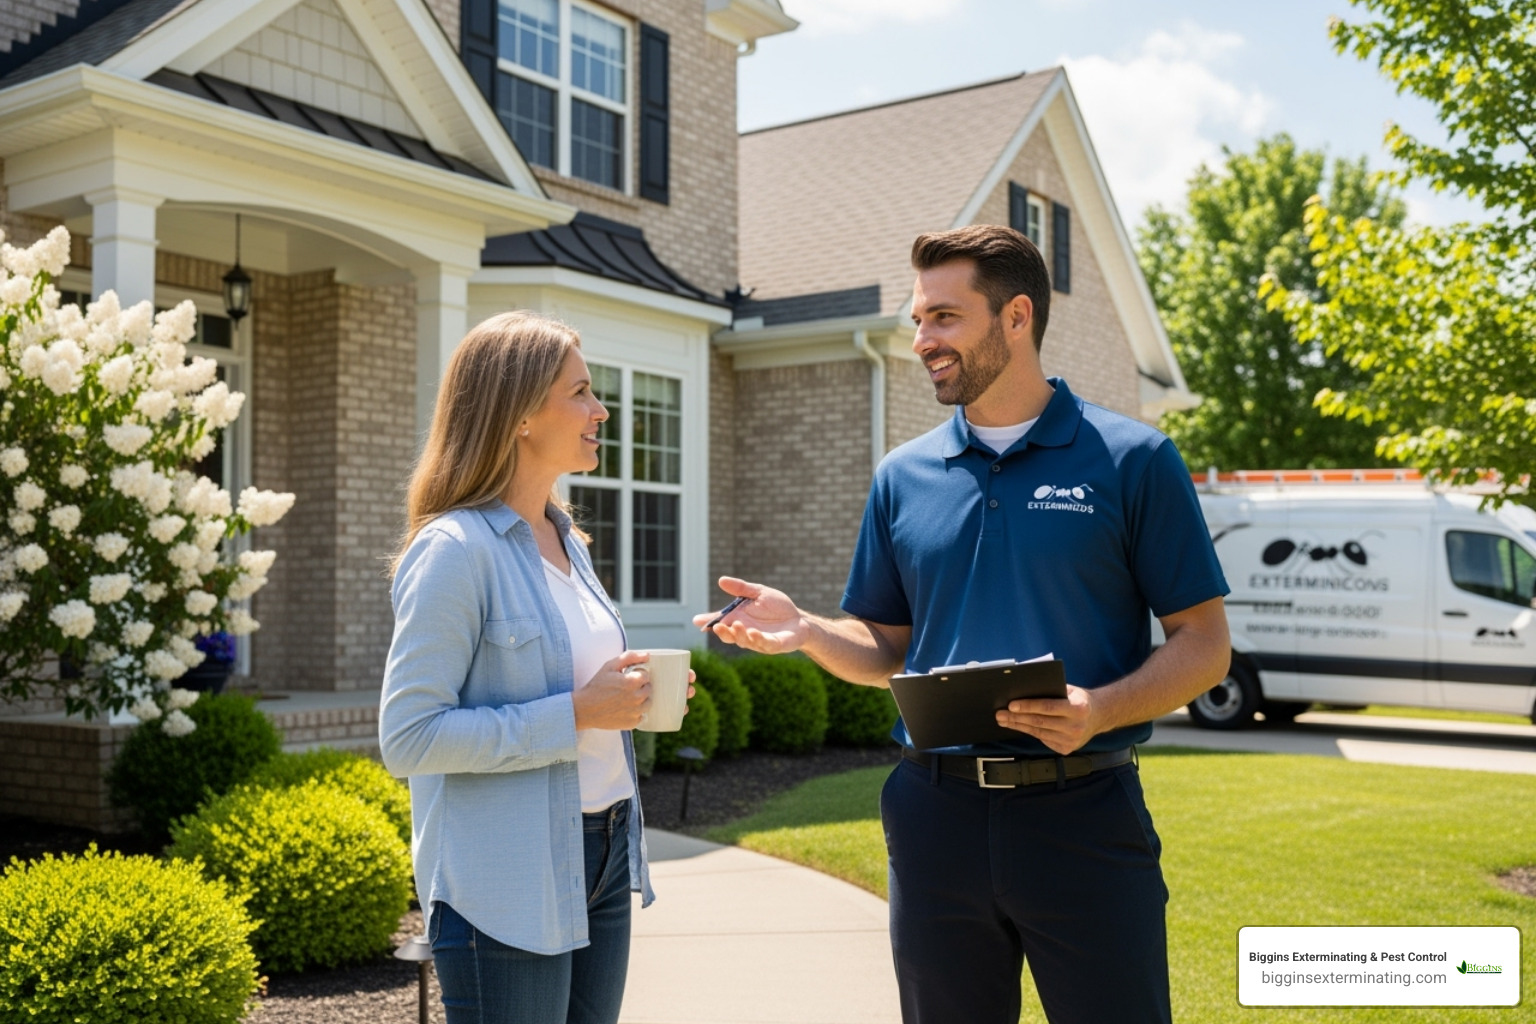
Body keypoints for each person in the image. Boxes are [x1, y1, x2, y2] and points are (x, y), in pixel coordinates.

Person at [695, 225, 1231, 1024]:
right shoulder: (902, 476)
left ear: (1016, 317)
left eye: (943, 318)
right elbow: (886, 649)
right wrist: (808, 629)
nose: (921, 341)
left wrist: (1099, 710)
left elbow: (1204, 643)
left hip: (1083, 816)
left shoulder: (1132, 460)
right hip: (934, 817)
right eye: (918, 321)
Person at [380, 311, 689, 1024]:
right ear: (520, 414)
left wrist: (634, 691)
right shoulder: (455, 549)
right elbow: (410, 738)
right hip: (506, 879)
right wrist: (579, 712)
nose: (601, 409)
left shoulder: (565, 538)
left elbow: (573, 679)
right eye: (580, 391)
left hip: (606, 847)